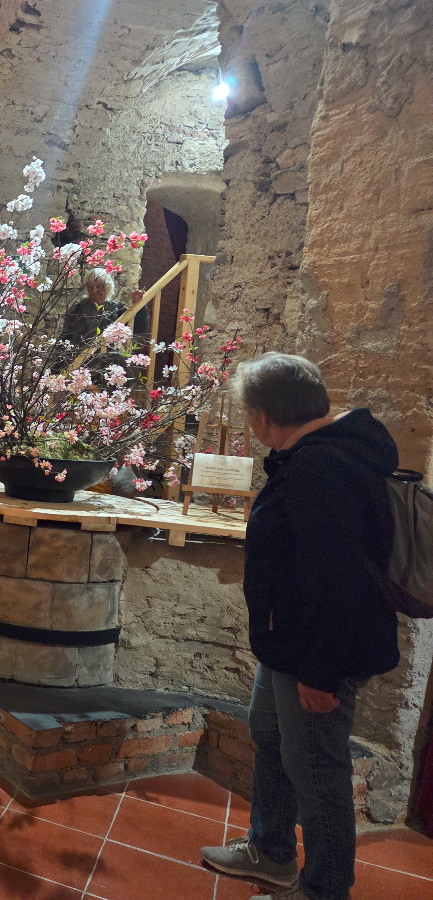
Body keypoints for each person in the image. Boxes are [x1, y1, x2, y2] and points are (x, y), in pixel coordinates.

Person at [200, 353, 399, 900]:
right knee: (270, 736)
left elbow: (336, 581)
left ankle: (324, 890)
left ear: (262, 416)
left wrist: (320, 673)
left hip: (316, 653)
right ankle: (270, 850)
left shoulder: (322, 467)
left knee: (316, 770)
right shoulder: (315, 455)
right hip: (289, 644)